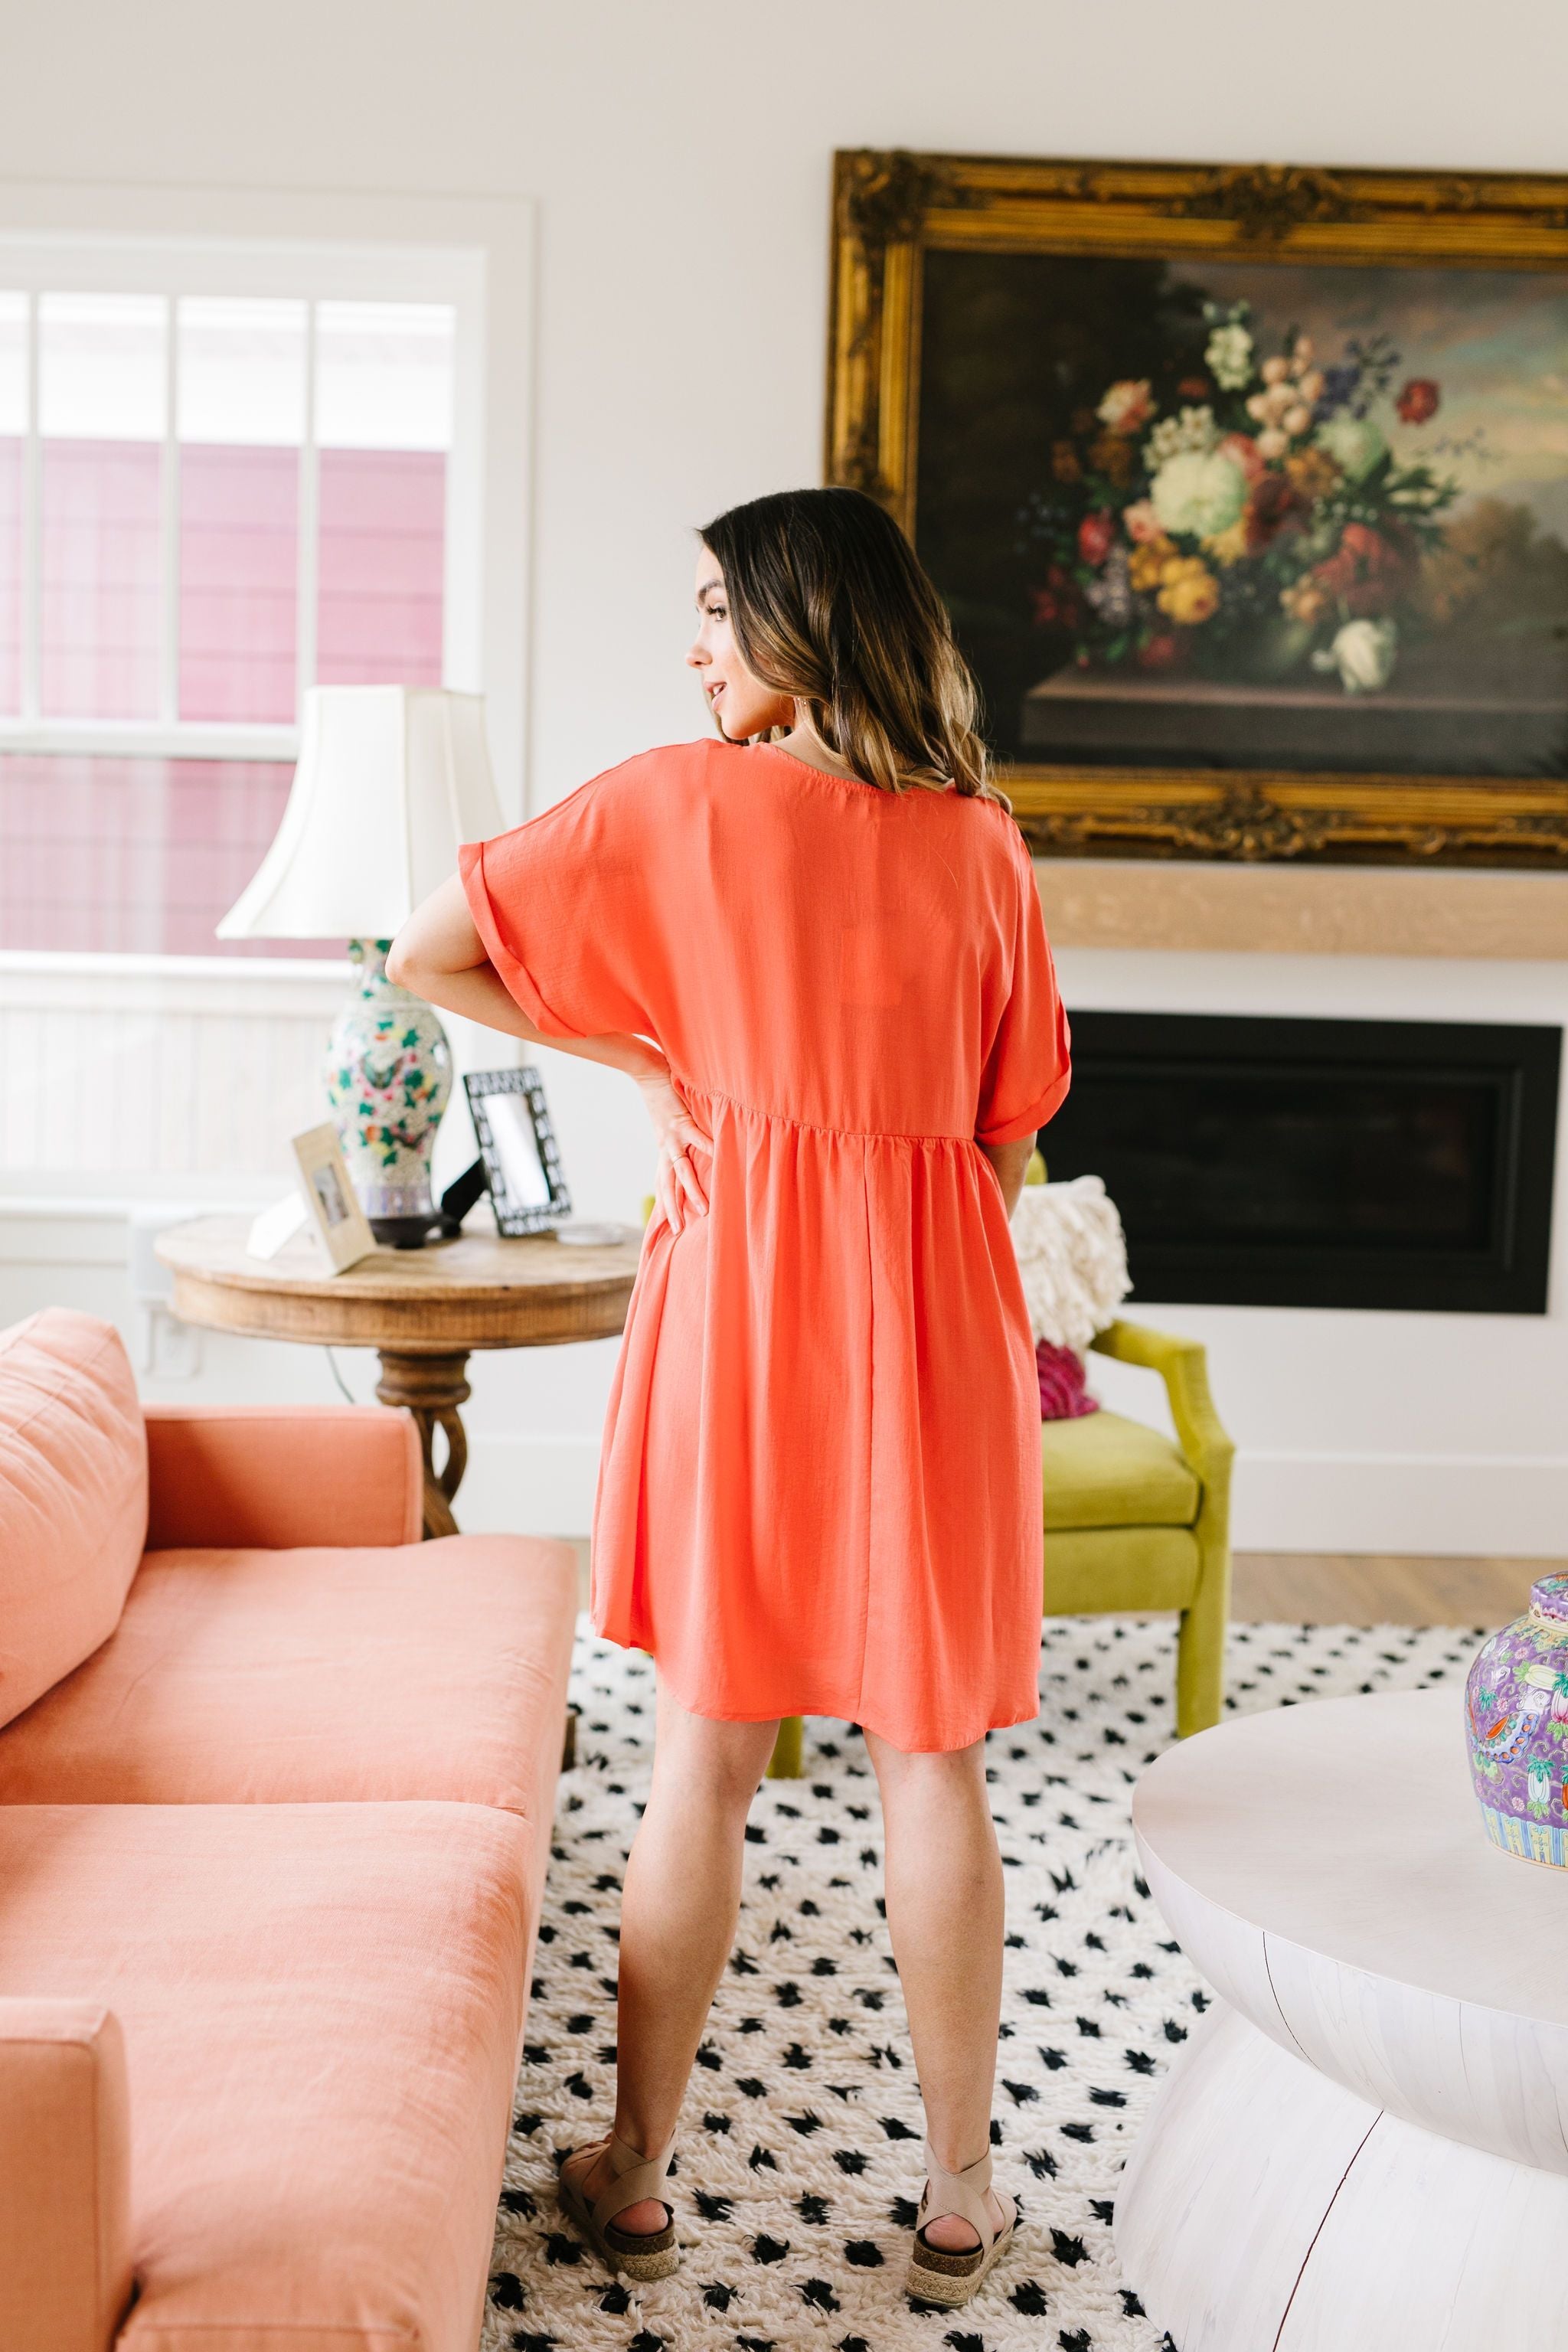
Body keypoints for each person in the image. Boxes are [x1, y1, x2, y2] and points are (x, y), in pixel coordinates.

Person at [387, 485, 1070, 2309]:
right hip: (929, 1325)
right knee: (931, 1766)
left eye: (715, 609)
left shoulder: (671, 804)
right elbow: (1008, 1151)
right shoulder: (983, 848)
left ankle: (632, 2172)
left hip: (740, 1308)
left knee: (704, 1753)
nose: (692, 646)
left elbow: (421, 952)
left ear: (800, 621)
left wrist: (662, 1073)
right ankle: (951, 2194)